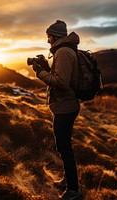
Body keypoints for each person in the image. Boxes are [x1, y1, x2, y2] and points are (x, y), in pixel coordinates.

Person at [30, 20, 82, 200]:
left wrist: (39, 73)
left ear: (55, 36)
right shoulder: (63, 51)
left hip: (65, 107)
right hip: (64, 105)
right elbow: (60, 75)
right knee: (64, 146)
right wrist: (46, 67)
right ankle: (68, 182)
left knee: (64, 147)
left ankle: (74, 190)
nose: (47, 41)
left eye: (48, 37)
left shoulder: (64, 52)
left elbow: (61, 82)